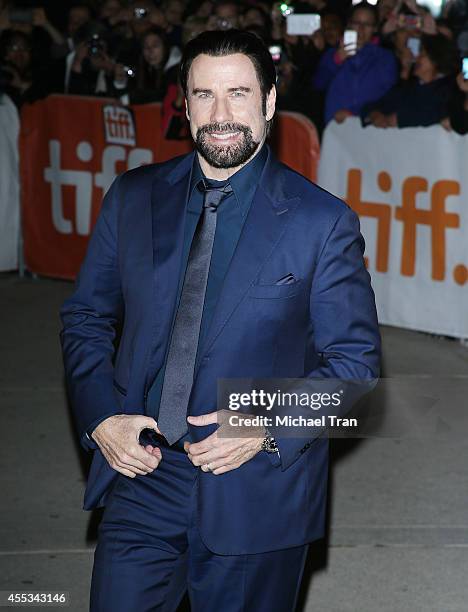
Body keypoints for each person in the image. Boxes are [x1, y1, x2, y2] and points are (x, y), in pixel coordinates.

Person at [60, 29, 380, 611]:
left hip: (257, 489)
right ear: (184, 106)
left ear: (269, 102)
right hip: (142, 474)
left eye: (238, 92)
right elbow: (85, 315)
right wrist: (102, 417)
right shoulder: (133, 197)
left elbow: (356, 370)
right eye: (204, 95)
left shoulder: (321, 222)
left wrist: (258, 424)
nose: (222, 113)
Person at [313, 2, 398, 124]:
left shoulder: (385, 58)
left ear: (375, 28)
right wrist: (336, 60)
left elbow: (388, 96)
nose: (361, 28)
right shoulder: (332, 54)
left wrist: (355, 113)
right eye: (356, 23)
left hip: (369, 126)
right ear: (349, 25)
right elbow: (319, 84)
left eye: (367, 24)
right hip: (336, 127)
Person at [361, 34, 459, 128]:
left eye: (422, 54)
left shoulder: (450, 89)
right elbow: (376, 104)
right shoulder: (410, 87)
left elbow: (439, 113)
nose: (416, 58)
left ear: (436, 60)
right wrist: (374, 114)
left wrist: (402, 120)